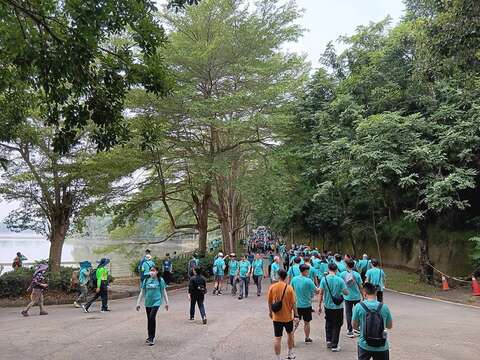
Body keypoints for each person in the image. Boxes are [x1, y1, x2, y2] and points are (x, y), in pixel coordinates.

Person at [352, 282, 393, 360]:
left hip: (364, 344)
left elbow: (354, 326)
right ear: (376, 293)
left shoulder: (358, 306)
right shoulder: (384, 307)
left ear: (364, 293)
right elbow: (389, 326)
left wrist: (362, 329)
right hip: (382, 345)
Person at [268, 269, 299, 360]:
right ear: (285, 277)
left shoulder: (272, 287)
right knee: (290, 335)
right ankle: (290, 354)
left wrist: (270, 312)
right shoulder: (289, 288)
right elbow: (293, 303)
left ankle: (278, 358)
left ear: (278, 276)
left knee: (277, 338)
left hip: (276, 317)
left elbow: (269, 302)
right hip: (287, 317)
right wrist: (296, 315)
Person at [319, 262, 349, 352]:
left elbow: (321, 293)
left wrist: (319, 305)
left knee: (328, 322)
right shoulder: (340, 280)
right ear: (336, 270)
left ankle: (328, 340)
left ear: (328, 269)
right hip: (338, 307)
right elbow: (346, 292)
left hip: (327, 305)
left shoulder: (324, 280)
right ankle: (334, 345)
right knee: (337, 325)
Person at [136, 266, 169, 346]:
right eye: (150, 270)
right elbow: (142, 292)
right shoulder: (146, 280)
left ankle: (152, 337)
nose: (151, 272)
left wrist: (167, 302)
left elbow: (163, 291)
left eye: (153, 270)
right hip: (148, 302)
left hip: (157, 302)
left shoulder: (160, 280)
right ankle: (149, 336)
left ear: (157, 272)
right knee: (149, 319)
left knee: (152, 317)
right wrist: (138, 303)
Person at [291, 264, 319, 344]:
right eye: (308, 271)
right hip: (307, 304)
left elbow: (291, 289)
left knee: (296, 321)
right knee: (307, 322)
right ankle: (307, 338)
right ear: (305, 271)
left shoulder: (294, 279)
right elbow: (316, 291)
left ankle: (291, 335)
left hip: (296, 305)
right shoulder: (308, 281)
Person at [340, 259, 363, 337]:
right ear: (353, 266)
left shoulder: (342, 274)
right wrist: (363, 295)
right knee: (358, 313)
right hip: (356, 296)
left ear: (346, 265)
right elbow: (360, 286)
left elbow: (341, 284)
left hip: (347, 297)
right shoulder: (357, 274)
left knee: (348, 313)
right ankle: (357, 329)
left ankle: (349, 330)